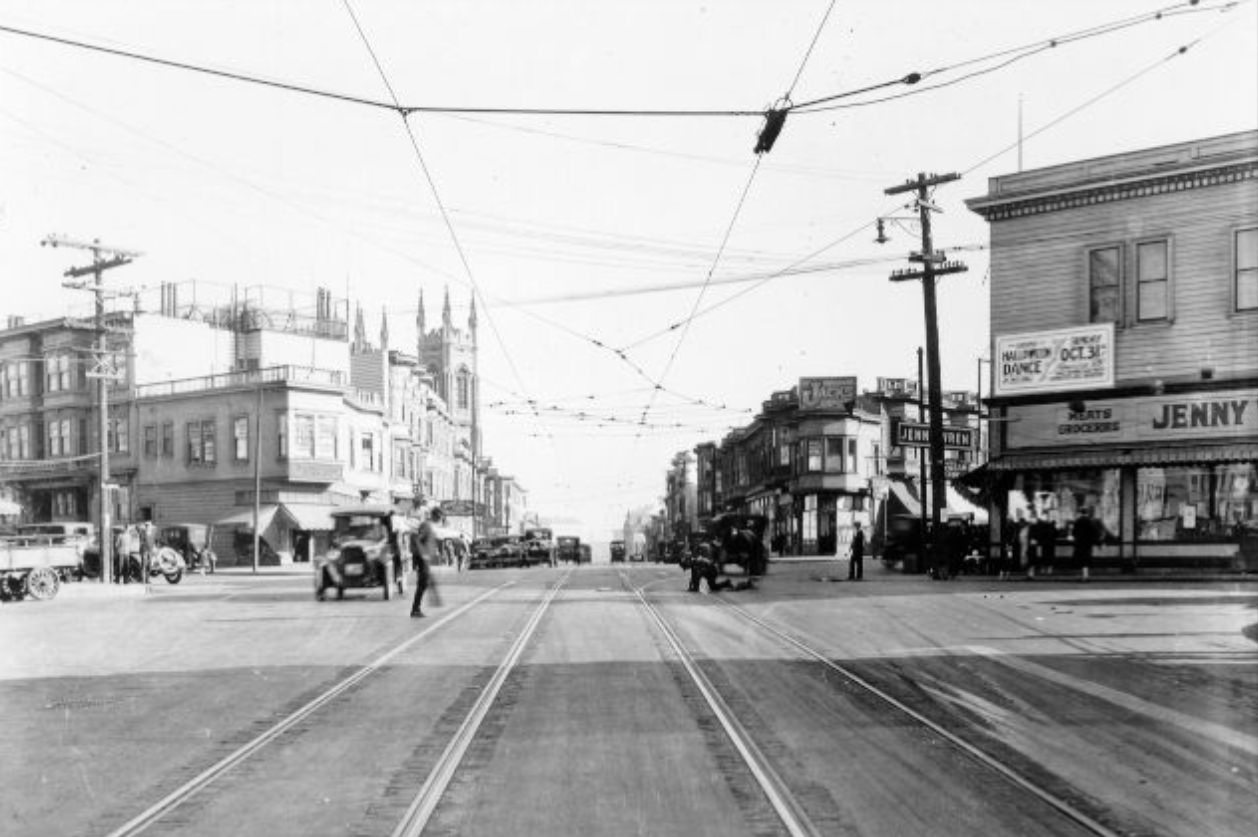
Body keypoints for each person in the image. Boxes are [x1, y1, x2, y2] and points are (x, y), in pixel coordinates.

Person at [410, 507, 443, 618]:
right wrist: (423, 554)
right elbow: (418, 539)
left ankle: (416, 608)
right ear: (436, 516)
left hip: (426, 559)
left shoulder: (430, 526)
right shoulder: (426, 525)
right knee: (422, 584)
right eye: (440, 516)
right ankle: (415, 609)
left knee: (423, 584)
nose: (440, 519)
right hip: (422, 559)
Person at [1072, 508, 1097, 581]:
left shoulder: (1077, 521)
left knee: (1081, 559)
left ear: (1080, 513)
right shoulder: (1090, 521)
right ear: (1087, 513)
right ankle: (1086, 575)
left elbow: (1074, 532)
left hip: (1079, 543)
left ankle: (1084, 575)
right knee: (1086, 559)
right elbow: (1094, 531)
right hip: (1088, 543)